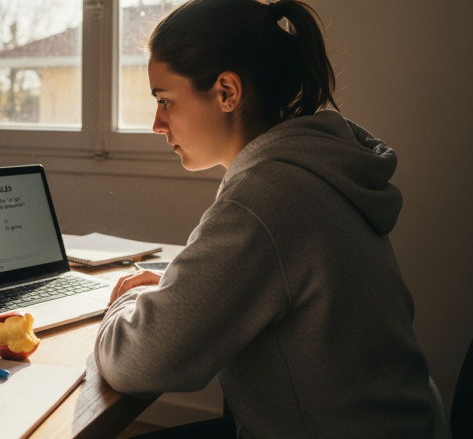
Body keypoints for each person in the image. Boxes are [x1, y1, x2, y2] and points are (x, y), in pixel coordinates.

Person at [93, 0, 449, 438]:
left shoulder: (265, 198)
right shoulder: (314, 169)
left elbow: (138, 363)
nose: (156, 123)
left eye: (165, 100)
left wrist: (122, 305)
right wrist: (171, 294)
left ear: (227, 91)